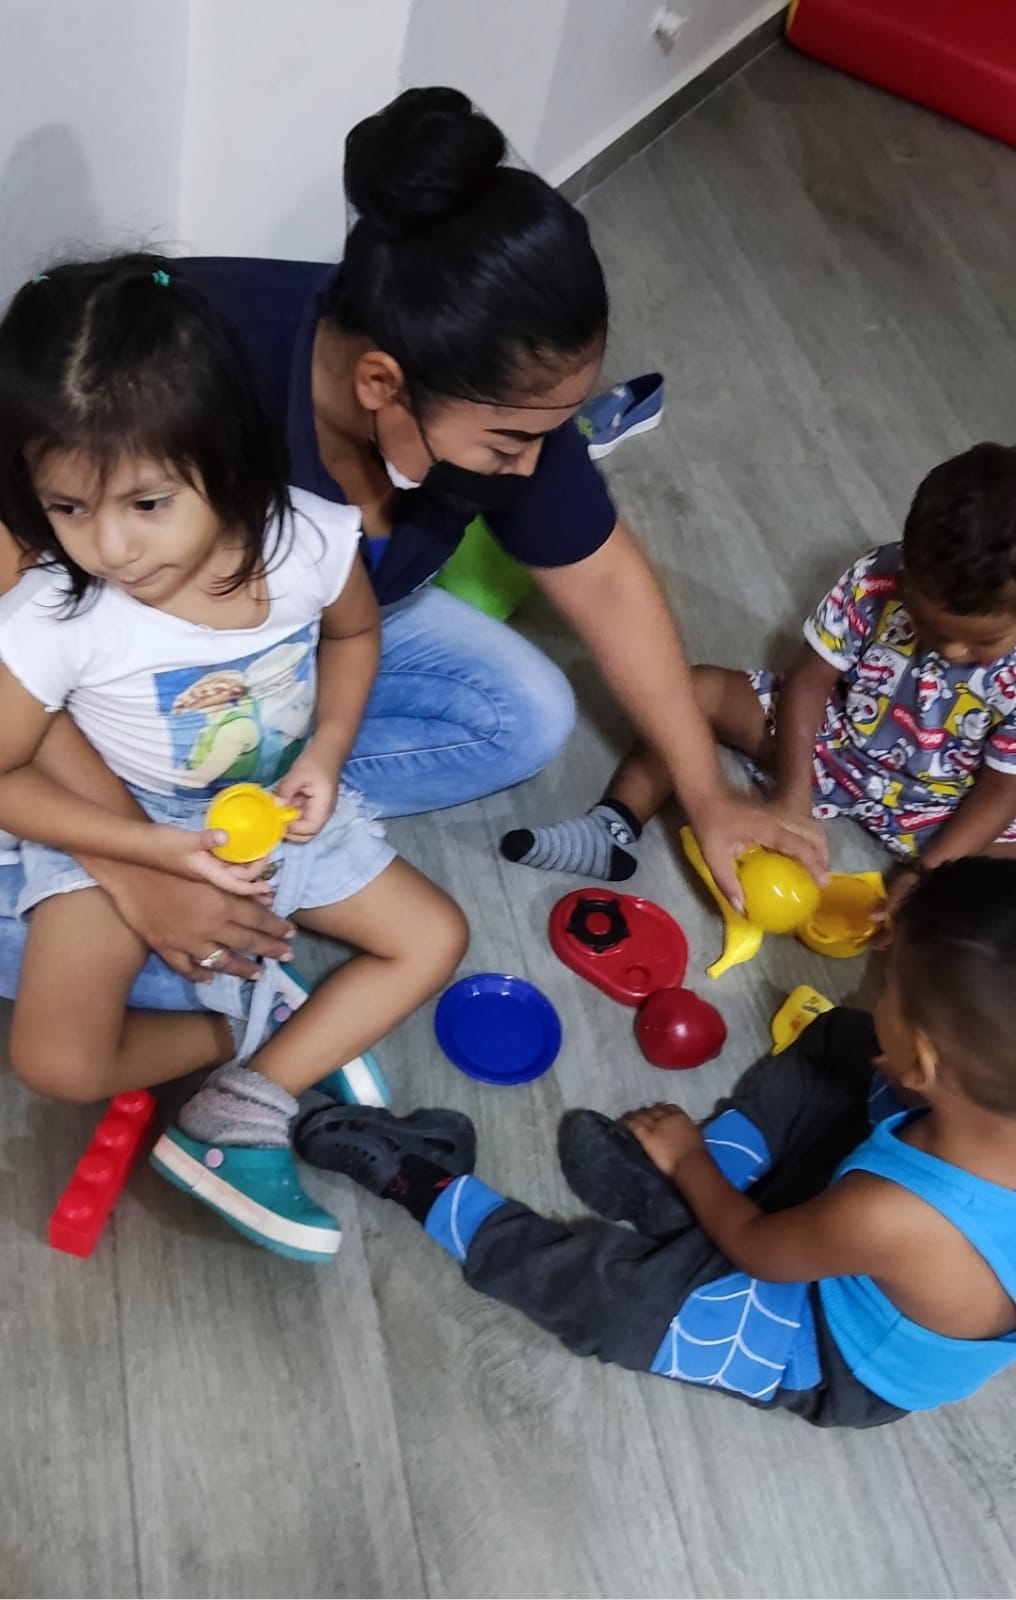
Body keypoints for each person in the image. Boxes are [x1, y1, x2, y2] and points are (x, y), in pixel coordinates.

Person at [0, 256, 467, 1261]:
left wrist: (328, 752)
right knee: (57, 1061)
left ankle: (248, 1100)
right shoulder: (56, 616)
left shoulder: (311, 539)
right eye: (68, 509)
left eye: (146, 503)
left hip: (276, 807)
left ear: (225, 452)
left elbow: (352, 636)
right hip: (126, 818)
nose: (110, 548)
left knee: (433, 939)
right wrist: (142, 850)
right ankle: (257, 1030)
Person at [297, 855, 1016, 1424]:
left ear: (925, 1065)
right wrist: (929, 907)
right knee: (846, 1041)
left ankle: (427, 1179)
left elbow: (762, 1253)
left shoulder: (896, 1214)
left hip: (828, 1344)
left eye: (890, 989)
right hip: (877, 1207)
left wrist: (690, 1158)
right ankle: (680, 1198)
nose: (878, 990)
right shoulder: (965, 1106)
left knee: (622, 1308)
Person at [505, 444, 1016, 916]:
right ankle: (611, 827)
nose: (950, 651)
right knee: (698, 690)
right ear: (907, 569)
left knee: (995, 894)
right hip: (838, 737)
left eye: (983, 643)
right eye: (929, 625)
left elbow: (1000, 790)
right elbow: (809, 682)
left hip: (946, 802)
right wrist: (793, 795)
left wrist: (924, 875)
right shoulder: (879, 576)